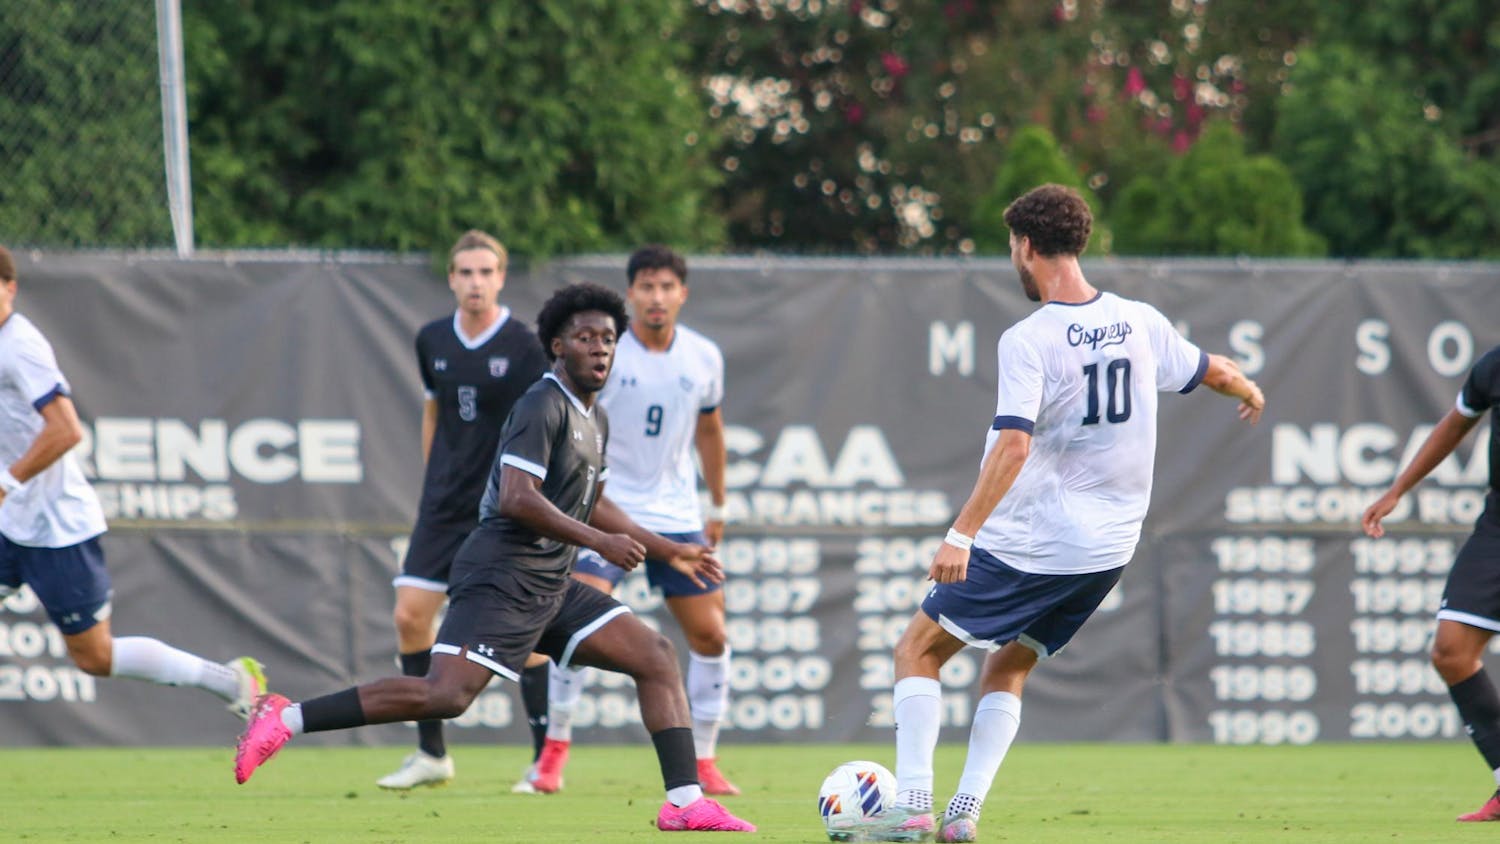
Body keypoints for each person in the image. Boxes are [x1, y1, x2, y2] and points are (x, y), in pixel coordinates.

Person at [234, 283, 754, 833]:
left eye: (608, 339)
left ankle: (683, 802)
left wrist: (670, 549)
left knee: (654, 655)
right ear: (558, 345)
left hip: (550, 582)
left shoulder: (594, 419)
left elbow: (594, 499)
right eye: (585, 338)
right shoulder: (543, 403)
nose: (600, 348)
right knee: (446, 695)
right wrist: (598, 544)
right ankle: (285, 716)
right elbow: (516, 497)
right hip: (501, 574)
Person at [867, 185, 1266, 843]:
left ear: (1026, 246)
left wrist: (961, 532)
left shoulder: (1031, 338)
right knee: (1010, 665)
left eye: (1011, 250)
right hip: (1108, 552)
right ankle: (962, 816)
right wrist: (1249, 387)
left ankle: (911, 806)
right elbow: (1212, 370)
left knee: (917, 649)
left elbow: (1014, 444)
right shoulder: (1140, 320)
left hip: (1035, 541)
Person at [0, 245, 266, 721]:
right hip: (10, 523)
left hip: (54, 526)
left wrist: (7, 481)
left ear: (10, 289)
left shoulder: (20, 345)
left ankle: (230, 682)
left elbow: (66, 429)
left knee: (95, 657)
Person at [521, 245, 737, 795]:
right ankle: (553, 751)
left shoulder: (705, 357)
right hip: (608, 508)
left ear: (682, 294)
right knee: (572, 621)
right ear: (631, 293)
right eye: (646, 286)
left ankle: (706, 759)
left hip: (678, 514)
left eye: (667, 286)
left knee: (711, 634)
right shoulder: (606, 354)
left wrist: (716, 504)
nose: (657, 297)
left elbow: (710, 430)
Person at [377, 229, 549, 791]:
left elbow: (541, 424)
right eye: (465, 272)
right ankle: (432, 755)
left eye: (486, 272)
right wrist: (435, 481)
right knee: (409, 616)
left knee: (527, 641)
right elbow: (435, 413)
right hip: (444, 507)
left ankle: (544, 762)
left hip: (505, 508)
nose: (475, 282)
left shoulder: (525, 345)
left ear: (501, 277)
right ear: (451, 278)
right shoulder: (432, 339)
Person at [1362, 343, 1500, 823]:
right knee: (1452, 651)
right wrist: (1398, 489)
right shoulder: (1495, 364)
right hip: (1498, 526)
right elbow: (1456, 422)